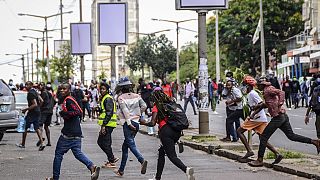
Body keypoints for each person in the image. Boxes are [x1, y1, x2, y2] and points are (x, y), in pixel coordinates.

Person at [248, 78, 320, 167]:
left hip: (278, 117)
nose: (257, 86)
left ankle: (260, 160)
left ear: (262, 85)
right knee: (291, 136)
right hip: (282, 116)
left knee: (263, 137)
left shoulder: (268, 89)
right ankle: (314, 142)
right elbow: (268, 103)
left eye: (258, 85)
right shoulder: (266, 91)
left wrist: (280, 102)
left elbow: (281, 92)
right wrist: (256, 107)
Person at [46, 83, 100, 180]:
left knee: (58, 154)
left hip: (68, 134)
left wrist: (64, 113)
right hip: (77, 133)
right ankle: (92, 167)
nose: (62, 90)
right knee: (77, 153)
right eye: (61, 89)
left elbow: (78, 112)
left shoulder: (69, 100)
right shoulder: (70, 99)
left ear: (69, 90)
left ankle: (55, 177)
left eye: (64, 89)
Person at [140, 88, 195, 180]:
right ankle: (157, 177)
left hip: (166, 132)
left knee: (172, 156)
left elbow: (152, 123)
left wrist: (143, 122)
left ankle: (186, 169)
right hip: (176, 132)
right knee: (161, 153)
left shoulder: (157, 106)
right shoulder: (171, 103)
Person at [237, 76, 282, 164]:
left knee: (239, 131)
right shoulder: (250, 94)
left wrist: (253, 114)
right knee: (263, 138)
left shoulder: (253, 93)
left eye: (244, 85)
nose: (243, 87)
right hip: (260, 118)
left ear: (248, 86)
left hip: (256, 118)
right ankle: (277, 153)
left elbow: (261, 104)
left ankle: (249, 151)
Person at [114, 77, 148, 176]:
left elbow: (125, 111)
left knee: (131, 143)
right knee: (125, 147)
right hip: (136, 123)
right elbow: (144, 106)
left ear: (121, 88)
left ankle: (141, 160)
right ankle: (121, 170)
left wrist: (129, 123)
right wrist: (138, 114)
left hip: (128, 124)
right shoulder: (137, 96)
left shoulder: (121, 98)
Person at [16, 81, 45, 151]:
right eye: (25, 85)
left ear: (31, 85)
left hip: (32, 112)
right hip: (37, 112)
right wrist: (38, 108)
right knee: (37, 127)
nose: (26, 86)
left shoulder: (30, 93)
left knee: (25, 127)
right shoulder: (35, 92)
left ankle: (23, 144)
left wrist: (26, 109)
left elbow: (34, 104)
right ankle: (42, 143)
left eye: (27, 85)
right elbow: (41, 101)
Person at [97, 82, 119, 168]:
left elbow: (109, 113)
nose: (102, 90)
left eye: (104, 89)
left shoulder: (108, 98)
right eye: (101, 89)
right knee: (101, 142)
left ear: (107, 90)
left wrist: (103, 126)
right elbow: (105, 111)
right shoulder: (105, 98)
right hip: (107, 124)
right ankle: (111, 158)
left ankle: (112, 160)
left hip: (108, 124)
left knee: (105, 143)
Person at [38, 82, 53, 147]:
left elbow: (42, 101)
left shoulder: (43, 93)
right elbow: (54, 101)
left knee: (39, 125)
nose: (39, 87)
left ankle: (41, 139)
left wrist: (39, 107)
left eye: (40, 86)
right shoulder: (49, 93)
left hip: (44, 111)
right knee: (46, 126)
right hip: (49, 111)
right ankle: (49, 141)